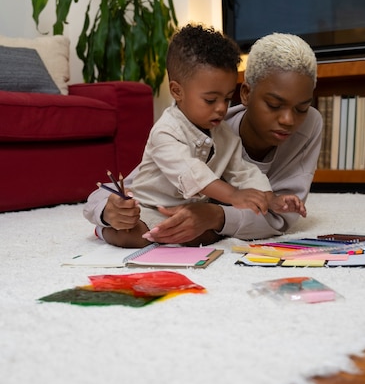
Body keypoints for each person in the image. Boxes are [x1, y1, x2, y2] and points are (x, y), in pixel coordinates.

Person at [84, 30, 322, 246]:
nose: (289, 120)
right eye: (273, 104)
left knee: (203, 236)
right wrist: (109, 212)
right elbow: (188, 173)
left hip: (192, 208)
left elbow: (244, 172)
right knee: (136, 235)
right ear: (246, 94)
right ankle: (104, 233)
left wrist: (271, 199)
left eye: (301, 108)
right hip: (151, 205)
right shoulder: (171, 130)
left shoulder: (223, 133)